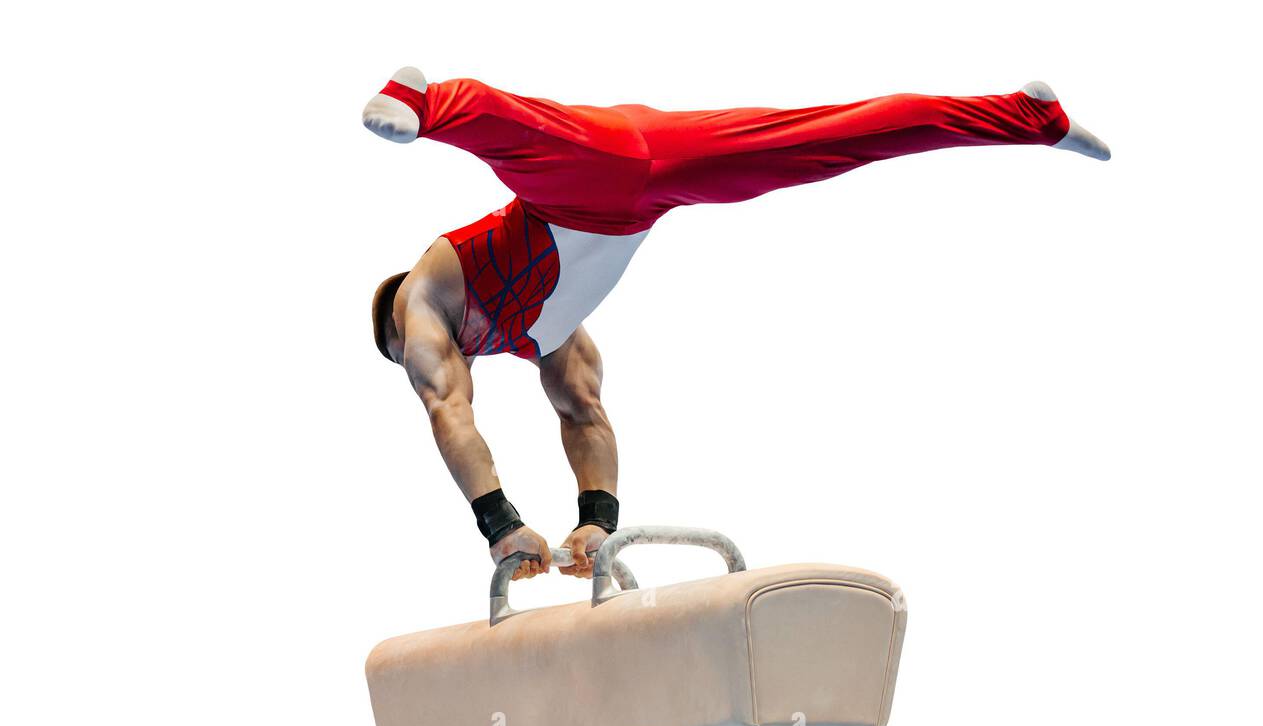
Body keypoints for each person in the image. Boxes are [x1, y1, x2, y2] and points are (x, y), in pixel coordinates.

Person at [362, 67, 1109, 580]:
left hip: (575, 174)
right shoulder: (547, 335)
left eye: (401, 354)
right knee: (832, 139)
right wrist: (596, 519)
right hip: (654, 176)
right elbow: (583, 412)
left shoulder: (422, 296)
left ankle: (424, 101)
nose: (415, 361)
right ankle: (1027, 115)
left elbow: (447, 411)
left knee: (518, 133)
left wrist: (499, 527)